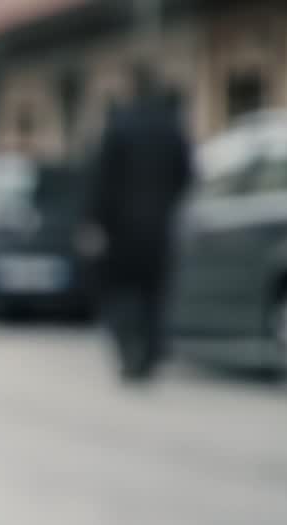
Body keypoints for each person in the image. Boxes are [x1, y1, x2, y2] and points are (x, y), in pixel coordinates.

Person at [90, 64, 194, 382]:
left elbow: (101, 179)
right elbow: (186, 174)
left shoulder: (118, 125)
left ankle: (127, 354)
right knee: (153, 293)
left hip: (121, 229)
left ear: (132, 87)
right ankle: (148, 356)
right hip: (160, 226)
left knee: (122, 293)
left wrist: (95, 221)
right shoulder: (170, 127)